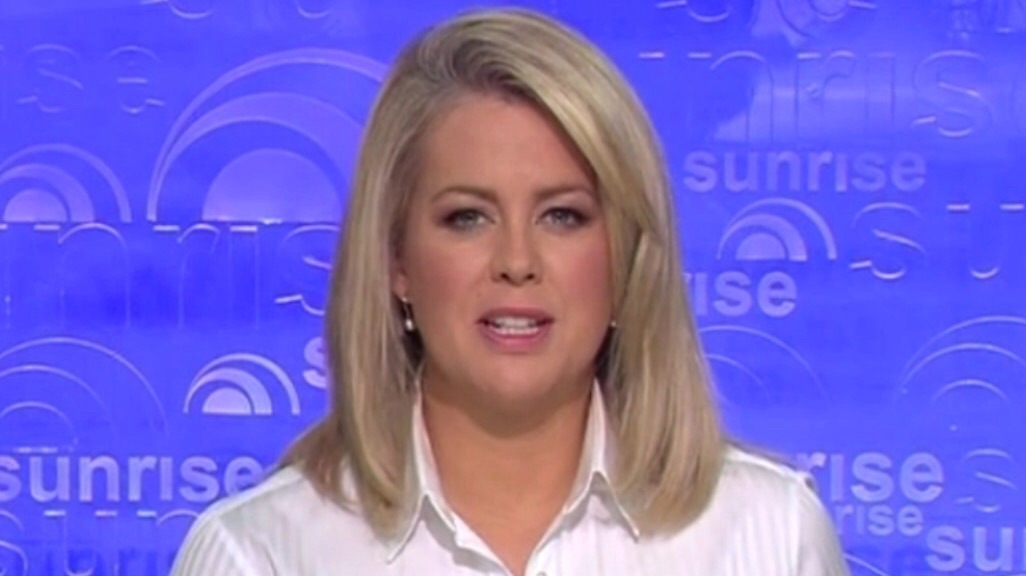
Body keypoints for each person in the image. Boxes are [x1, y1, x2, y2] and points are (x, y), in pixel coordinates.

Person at [171, 7, 850, 576]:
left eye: (563, 216)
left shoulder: (768, 536)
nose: (517, 262)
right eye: (468, 218)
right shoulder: (260, 554)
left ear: (626, 260)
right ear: (396, 260)